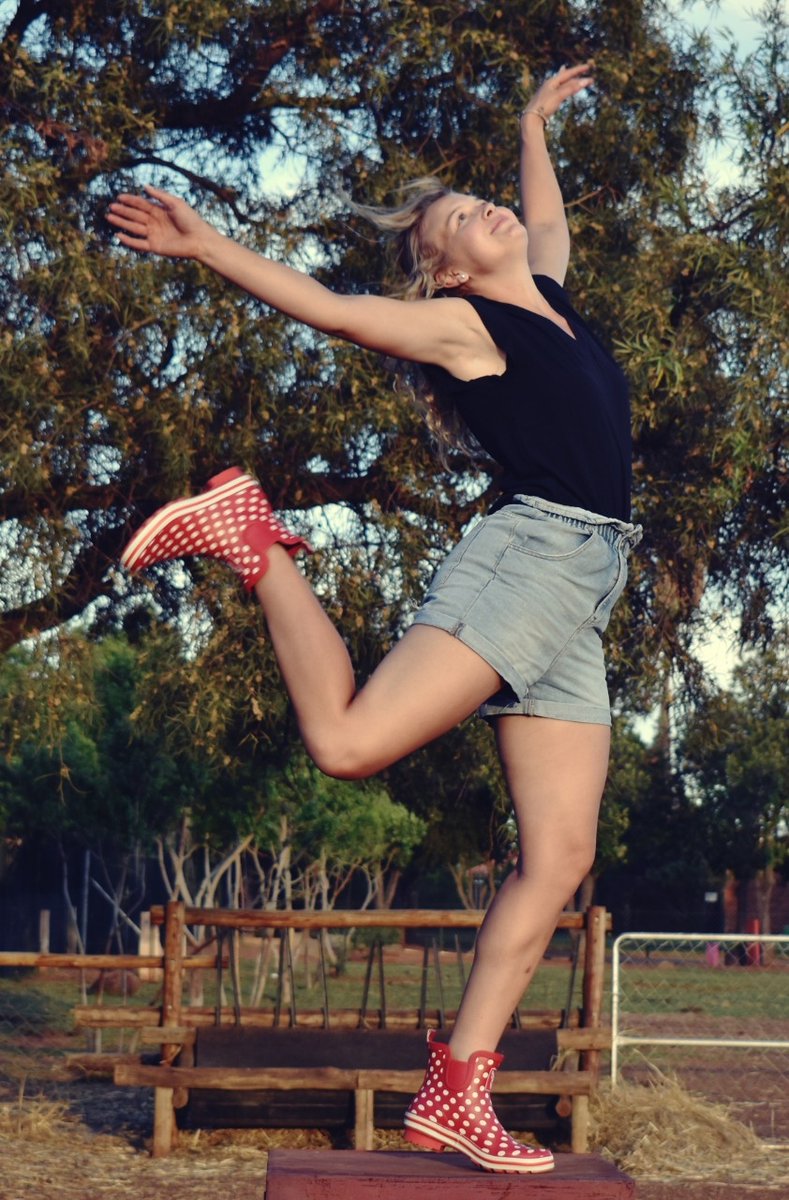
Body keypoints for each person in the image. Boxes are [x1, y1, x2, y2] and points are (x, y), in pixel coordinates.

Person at [107, 62, 641, 1175]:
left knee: (560, 856)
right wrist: (209, 246)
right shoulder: (462, 325)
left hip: (583, 591)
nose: (485, 208)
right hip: (530, 562)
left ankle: (459, 1089)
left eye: (477, 196)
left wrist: (530, 123)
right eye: (458, 218)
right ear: (446, 267)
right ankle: (253, 539)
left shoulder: (551, 291)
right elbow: (333, 309)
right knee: (346, 743)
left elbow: (545, 217)